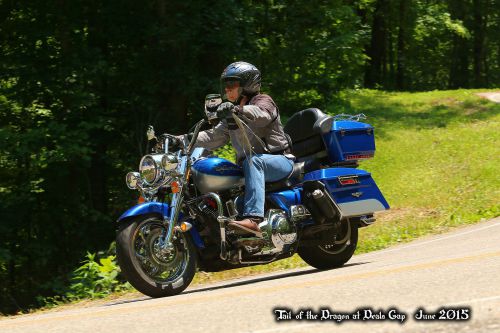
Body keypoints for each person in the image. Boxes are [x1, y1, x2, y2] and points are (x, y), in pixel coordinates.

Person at [191, 61, 294, 237]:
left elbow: (261, 114)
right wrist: (185, 140)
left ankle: (253, 220)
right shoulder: (231, 113)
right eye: (226, 86)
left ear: (247, 85)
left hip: (280, 161)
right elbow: (213, 136)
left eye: (232, 84)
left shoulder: (263, 101)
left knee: (254, 161)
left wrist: (238, 110)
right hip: (252, 167)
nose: (227, 90)